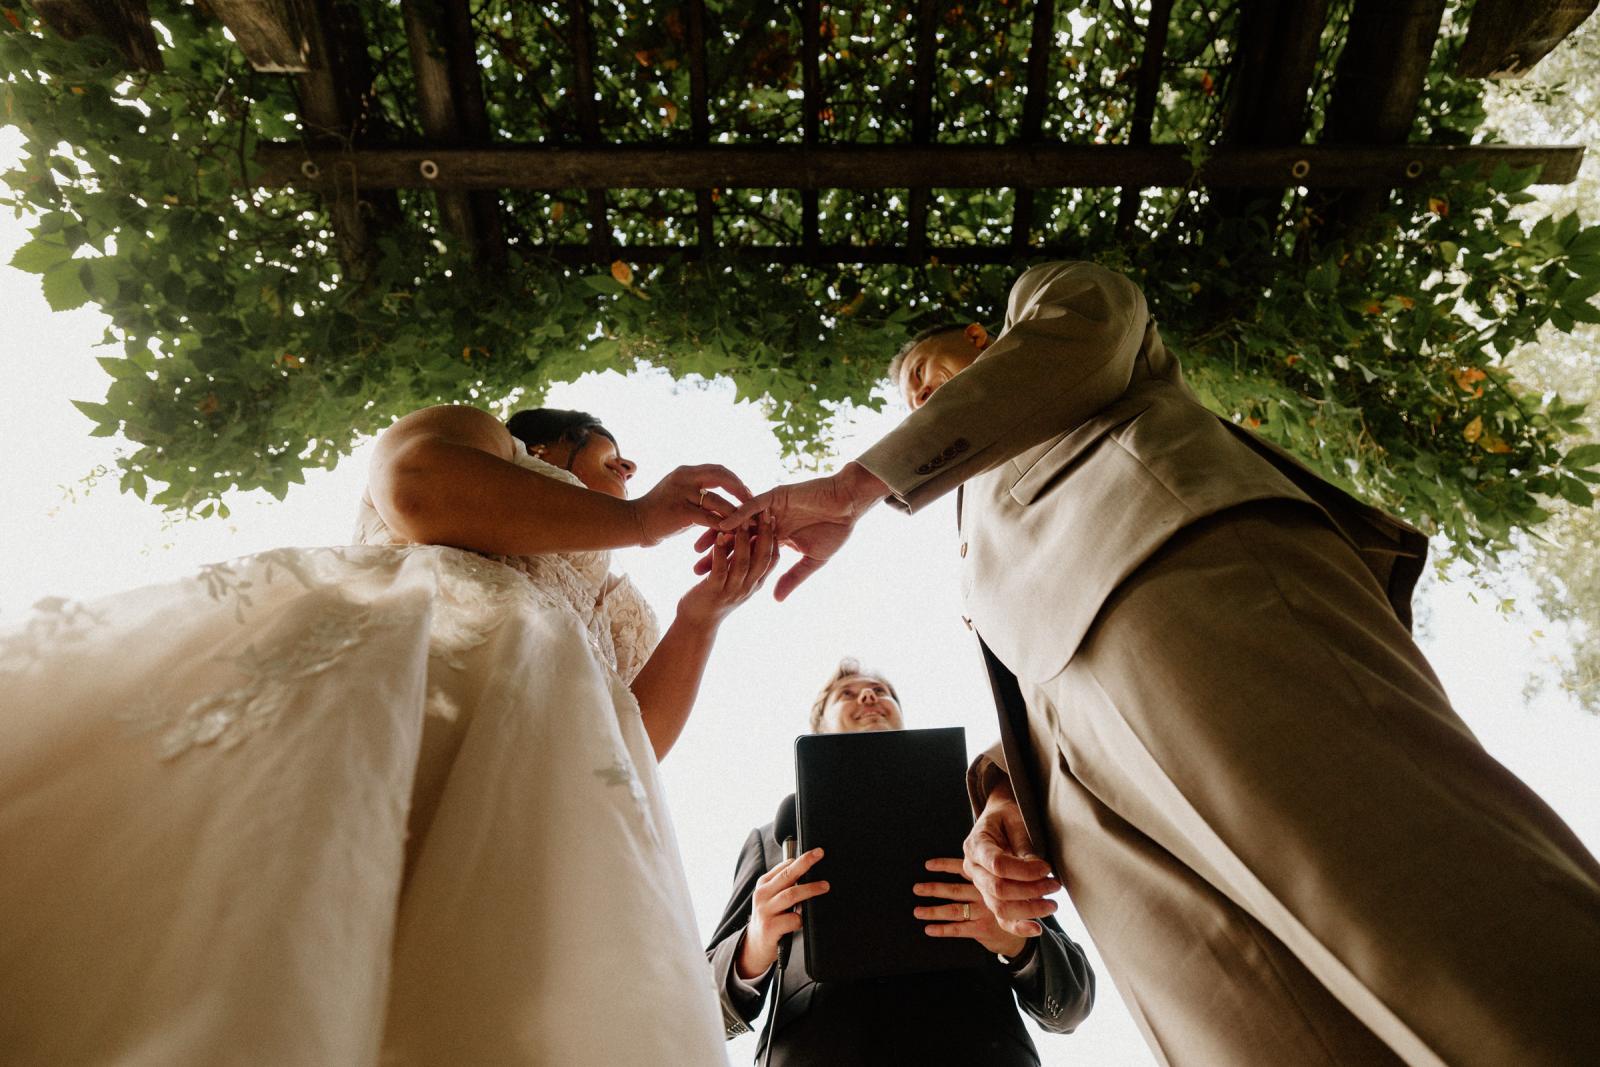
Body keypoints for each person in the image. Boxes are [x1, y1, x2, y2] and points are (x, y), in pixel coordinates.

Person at [713, 261, 1600, 1066]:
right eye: (909, 400)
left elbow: (1083, 333)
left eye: (925, 375)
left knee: (1422, 914)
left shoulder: (1055, 312)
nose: (919, 400)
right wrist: (998, 800)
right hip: (1079, 790)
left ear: (985, 341)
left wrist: (856, 485)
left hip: (1177, 588)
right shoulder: (964, 553)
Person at [0, 403, 774, 1066]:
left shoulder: (616, 604)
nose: (630, 465)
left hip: (530, 786)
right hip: (403, 687)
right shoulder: (482, 439)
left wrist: (701, 617)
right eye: (611, 455)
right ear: (541, 450)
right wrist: (639, 520)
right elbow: (417, 487)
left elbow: (632, 743)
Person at [705, 658, 1094, 1066]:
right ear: (819, 729)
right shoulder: (772, 836)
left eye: (882, 691)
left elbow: (1072, 1003)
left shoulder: (979, 823)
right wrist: (754, 944)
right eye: (847, 694)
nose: (870, 696)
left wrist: (1014, 939)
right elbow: (702, 1006)